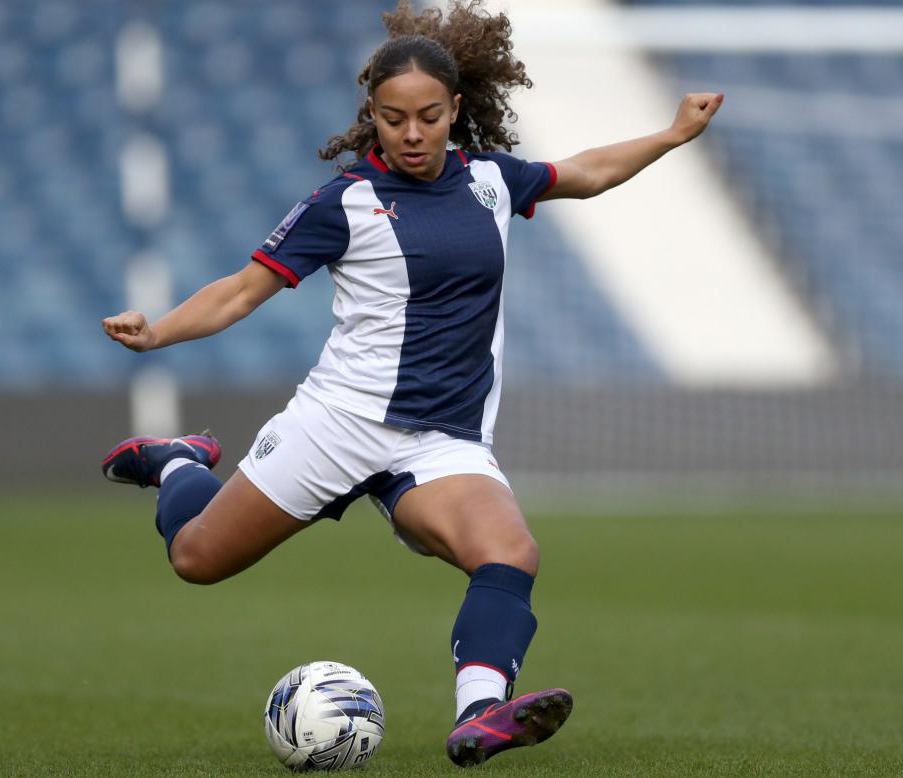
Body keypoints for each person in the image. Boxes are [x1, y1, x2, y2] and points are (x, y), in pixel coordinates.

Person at [100, 0, 721, 767]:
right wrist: (158, 330)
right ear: (374, 116)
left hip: (439, 439)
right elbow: (238, 291)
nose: (413, 133)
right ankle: (179, 462)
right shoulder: (344, 203)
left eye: (428, 116)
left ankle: (480, 714)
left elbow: (584, 175)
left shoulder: (493, 180)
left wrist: (669, 134)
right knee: (196, 559)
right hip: (337, 424)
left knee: (510, 552)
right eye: (394, 119)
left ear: (455, 109)